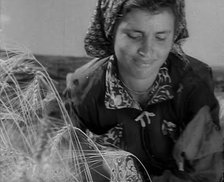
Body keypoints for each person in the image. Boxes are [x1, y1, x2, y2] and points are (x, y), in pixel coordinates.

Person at [64, 0, 223, 181]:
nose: (147, 50)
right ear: (111, 32)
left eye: (161, 37)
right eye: (134, 35)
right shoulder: (83, 89)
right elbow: (70, 165)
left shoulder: (193, 83)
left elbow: (205, 171)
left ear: (174, 36)